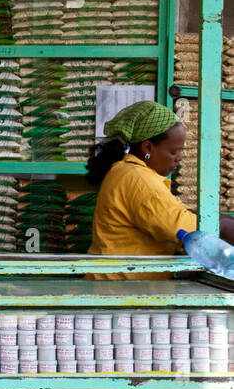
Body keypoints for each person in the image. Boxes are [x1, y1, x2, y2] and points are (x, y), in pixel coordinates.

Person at [87, 99, 234, 279]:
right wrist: (224, 225)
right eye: (173, 152)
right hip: (120, 293)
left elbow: (167, 215)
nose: (179, 158)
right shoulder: (137, 179)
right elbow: (188, 229)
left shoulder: (126, 173)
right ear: (147, 147)